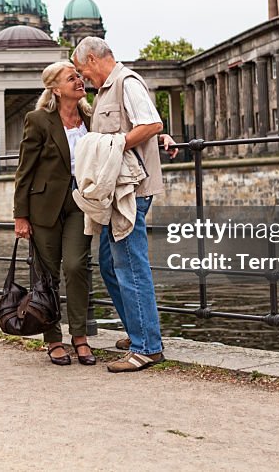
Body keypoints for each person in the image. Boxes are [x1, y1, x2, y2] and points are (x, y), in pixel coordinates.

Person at [71, 36, 172, 373]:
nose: (84, 78)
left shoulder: (126, 82)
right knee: (110, 263)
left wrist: (116, 147)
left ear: (93, 59)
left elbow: (151, 122)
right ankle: (139, 330)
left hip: (131, 190)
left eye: (83, 70)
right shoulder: (105, 91)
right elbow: (143, 127)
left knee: (129, 264)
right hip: (117, 191)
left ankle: (147, 347)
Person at [13, 61, 97, 366]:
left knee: (76, 266)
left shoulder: (90, 116)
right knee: (46, 274)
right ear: (55, 88)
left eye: (78, 76)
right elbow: (25, 170)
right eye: (71, 78)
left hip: (80, 202)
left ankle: (80, 336)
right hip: (43, 206)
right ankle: (53, 339)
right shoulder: (38, 120)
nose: (79, 81)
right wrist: (20, 215)